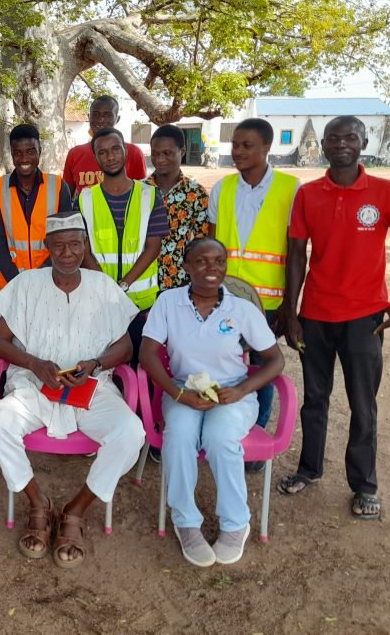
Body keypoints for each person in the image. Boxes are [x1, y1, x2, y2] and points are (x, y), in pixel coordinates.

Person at [277, 116, 390, 520]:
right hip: (315, 316)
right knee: (315, 400)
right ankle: (309, 470)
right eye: (334, 138)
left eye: (351, 137)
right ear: (324, 145)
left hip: (365, 320)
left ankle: (365, 486)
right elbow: (296, 254)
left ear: (365, 141)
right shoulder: (308, 194)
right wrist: (291, 312)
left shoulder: (385, 192)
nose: (341, 144)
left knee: (363, 405)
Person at [0, 212, 143, 568]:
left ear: (85, 246)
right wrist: (35, 364)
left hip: (91, 389)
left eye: (75, 244)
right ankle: (39, 503)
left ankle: (75, 510)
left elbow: (125, 349)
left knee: (131, 433)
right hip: (35, 387)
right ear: (47, 247)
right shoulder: (25, 284)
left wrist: (95, 365)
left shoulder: (103, 287)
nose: (67, 252)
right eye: (59, 245)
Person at [140, 237, 284, 567]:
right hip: (181, 389)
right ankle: (186, 522)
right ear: (187, 266)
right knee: (178, 437)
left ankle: (236, 524)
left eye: (219, 262)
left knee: (220, 439)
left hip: (231, 392)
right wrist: (178, 395)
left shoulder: (242, 309)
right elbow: (148, 354)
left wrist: (244, 389)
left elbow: (275, 360)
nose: (211, 268)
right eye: (202, 261)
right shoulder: (168, 302)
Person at [208, 118, 299, 461]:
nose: (238, 152)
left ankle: (255, 437)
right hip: (226, 298)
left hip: (270, 302)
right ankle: (222, 427)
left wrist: (290, 308)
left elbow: (295, 252)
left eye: (247, 146)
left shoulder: (291, 190)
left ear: (266, 148)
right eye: (235, 145)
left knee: (263, 366)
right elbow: (213, 244)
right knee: (227, 363)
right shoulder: (223, 189)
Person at [77, 127, 168, 361]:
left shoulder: (150, 195)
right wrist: (107, 289)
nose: (111, 156)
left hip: (142, 304)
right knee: (106, 366)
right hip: (100, 302)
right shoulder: (85, 198)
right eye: (103, 152)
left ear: (125, 151)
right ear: (96, 158)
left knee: (141, 367)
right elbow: (84, 249)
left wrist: (124, 285)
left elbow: (153, 246)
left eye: (115, 149)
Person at [0, 123, 72, 288]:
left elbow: (64, 239)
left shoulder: (59, 187)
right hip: (11, 283)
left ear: (40, 151)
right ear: (11, 154)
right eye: (18, 153)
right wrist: (18, 282)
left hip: (51, 280)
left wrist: (40, 278)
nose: (24, 159)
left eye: (30, 152)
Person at [145, 124, 209, 290]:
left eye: (167, 153)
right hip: (143, 282)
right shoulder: (140, 190)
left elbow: (202, 241)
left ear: (182, 151)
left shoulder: (196, 193)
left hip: (181, 283)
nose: (159, 159)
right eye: (155, 153)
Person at [62, 96, 146, 197]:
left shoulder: (134, 153)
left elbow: (142, 193)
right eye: (96, 114)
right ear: (89, 117)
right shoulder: (75, 154)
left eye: (107, 115)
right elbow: (66, 196)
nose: (101, 120)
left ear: (117, 119)